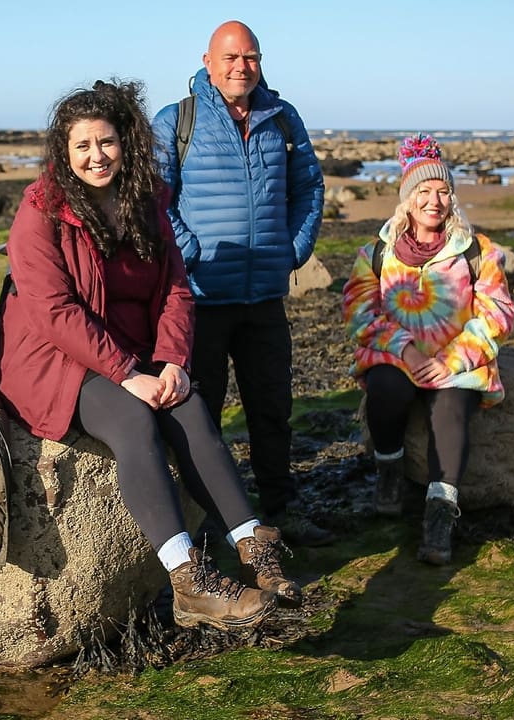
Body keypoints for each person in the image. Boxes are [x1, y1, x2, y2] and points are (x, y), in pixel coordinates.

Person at [0, 80, 301, 633]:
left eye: (106, 142)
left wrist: (173, 360)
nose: (95, 156)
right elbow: (53, 310)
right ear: (64, 152)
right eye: (82, 146)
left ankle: (254, 546)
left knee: (189, 407)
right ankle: (190, 582)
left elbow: (177, 291)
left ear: (126, 142)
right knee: (135, 418)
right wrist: (128, 374)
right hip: (53, 359)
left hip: (129, 350)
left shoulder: (147, 201)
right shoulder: (41, 211)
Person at [152, 20, 330, 545]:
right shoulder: (176, 121)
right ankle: (214, 524)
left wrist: (293, 250)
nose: (240, 67)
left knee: (272, 408)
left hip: (265, 297)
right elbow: (155, 202)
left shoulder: (282, 117)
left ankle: (282, 509)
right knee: (203, 418)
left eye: (249, 57)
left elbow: (309, 187)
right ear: (208, 62)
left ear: (260, 61)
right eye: (229, 58)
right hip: (201, 300)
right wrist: (191, 254)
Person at [342, 134, 514, 565]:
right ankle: (389, 473)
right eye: (423, 191)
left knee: (451, 408)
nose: (434, 200)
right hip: (396, 359)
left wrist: (451, 360)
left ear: (452, 198)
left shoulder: (479, 251)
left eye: (442, 191)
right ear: (407, 199)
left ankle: (439, 515)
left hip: (456, 363)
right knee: (386, 389)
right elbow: (359, 315)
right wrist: (409, 353)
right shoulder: (376, 254)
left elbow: (498, 312)